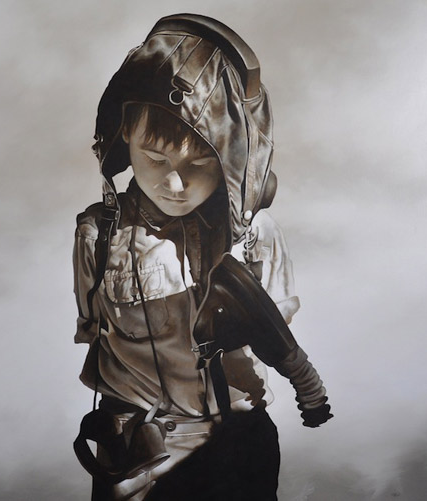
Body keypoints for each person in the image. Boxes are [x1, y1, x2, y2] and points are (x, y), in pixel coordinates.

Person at [73, 14, 332, 501]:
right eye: (155, 158)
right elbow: (94, 330)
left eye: (198, 163)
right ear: (123, 137)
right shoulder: (98, 235)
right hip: (136, 452)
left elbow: (278, 333)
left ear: (232, 159)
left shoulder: (256, 238)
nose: (175, 183)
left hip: (237, 448)